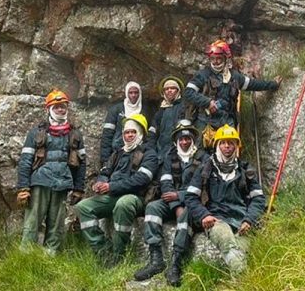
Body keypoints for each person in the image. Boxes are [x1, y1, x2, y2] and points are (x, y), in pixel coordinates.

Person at [76, 114, 158, 266]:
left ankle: (119, 255)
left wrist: (111, 186)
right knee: (83, 207)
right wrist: (100, 183)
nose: (129, 135)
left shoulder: (149, 154)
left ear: (141, 132)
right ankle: (103, 252)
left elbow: (141, 180)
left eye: (133, 131)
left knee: (123, 204)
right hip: (112, 195)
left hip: (135, 197)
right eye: (126, 132)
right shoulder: (118, 153)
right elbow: (105, 172)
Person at [134, 120, 209, 286]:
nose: (184, 142)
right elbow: (166, 183)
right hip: (172, 200)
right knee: (152, 207)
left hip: (194, 202)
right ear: (176, 140)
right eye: (181, 139)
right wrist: (176, 205)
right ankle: (156, 260)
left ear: (193, 139)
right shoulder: (170, 157)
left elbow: (203, 186)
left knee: (186, 215)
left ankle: (176, 263)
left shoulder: (204, 158)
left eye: (187, 138)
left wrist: (180, 197)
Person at [184, 125, 265, 274]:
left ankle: (239, 281)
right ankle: (244, 281)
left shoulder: (245, 169)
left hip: (241, 221)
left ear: (236, 145)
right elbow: (191, 197)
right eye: (223, 142)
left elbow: (259, 199)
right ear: (217, 145)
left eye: (231, 142)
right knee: (226, 241)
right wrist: (204, 215)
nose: (227, 146)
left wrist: (249, 220)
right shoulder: (206, 168)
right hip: (216, 220)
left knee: (242, 249)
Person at [16, 90, 86, 254]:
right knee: (32, 222)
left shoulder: (75, 134)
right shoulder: (36, 133)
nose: (61, 110)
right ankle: (26, 256)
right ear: (49, 109)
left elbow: (82, 164)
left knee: (57, 224)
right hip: (40, 182)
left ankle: (51, 257)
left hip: (62, 184)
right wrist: (23, 188)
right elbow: (25, 161)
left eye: (63, 106)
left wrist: (78, 188)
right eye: (56, 107)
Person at [184, 40, 280, 149]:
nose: (215, 62)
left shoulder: (235, 76)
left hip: (227, 121)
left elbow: (253, 84)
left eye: (218, 58)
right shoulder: (203, 75)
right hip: (205, 122)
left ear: (225, 58)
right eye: (213, 59)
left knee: (228, 155)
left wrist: (273, 84)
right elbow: (188, 92)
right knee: (202, 156)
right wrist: (207, 102)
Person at [100, 82, 149, 164]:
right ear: (126, 93)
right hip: (118, 151)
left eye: (136, 92)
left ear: (140, 93)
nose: (133, 95)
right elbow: (107, 134)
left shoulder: (145, 110)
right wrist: (105, 159)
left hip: (139, 153)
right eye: (131, 92)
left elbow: (148, 135)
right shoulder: (116, 109)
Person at [148, 76, 187, 156]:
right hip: (160, 151)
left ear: (178, 90)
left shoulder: (185, 107)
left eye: (172, 88)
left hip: (178, 152)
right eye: (166, 89)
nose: (169, 90)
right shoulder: (161, 110)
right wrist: (151, 149)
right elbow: (153, 131)